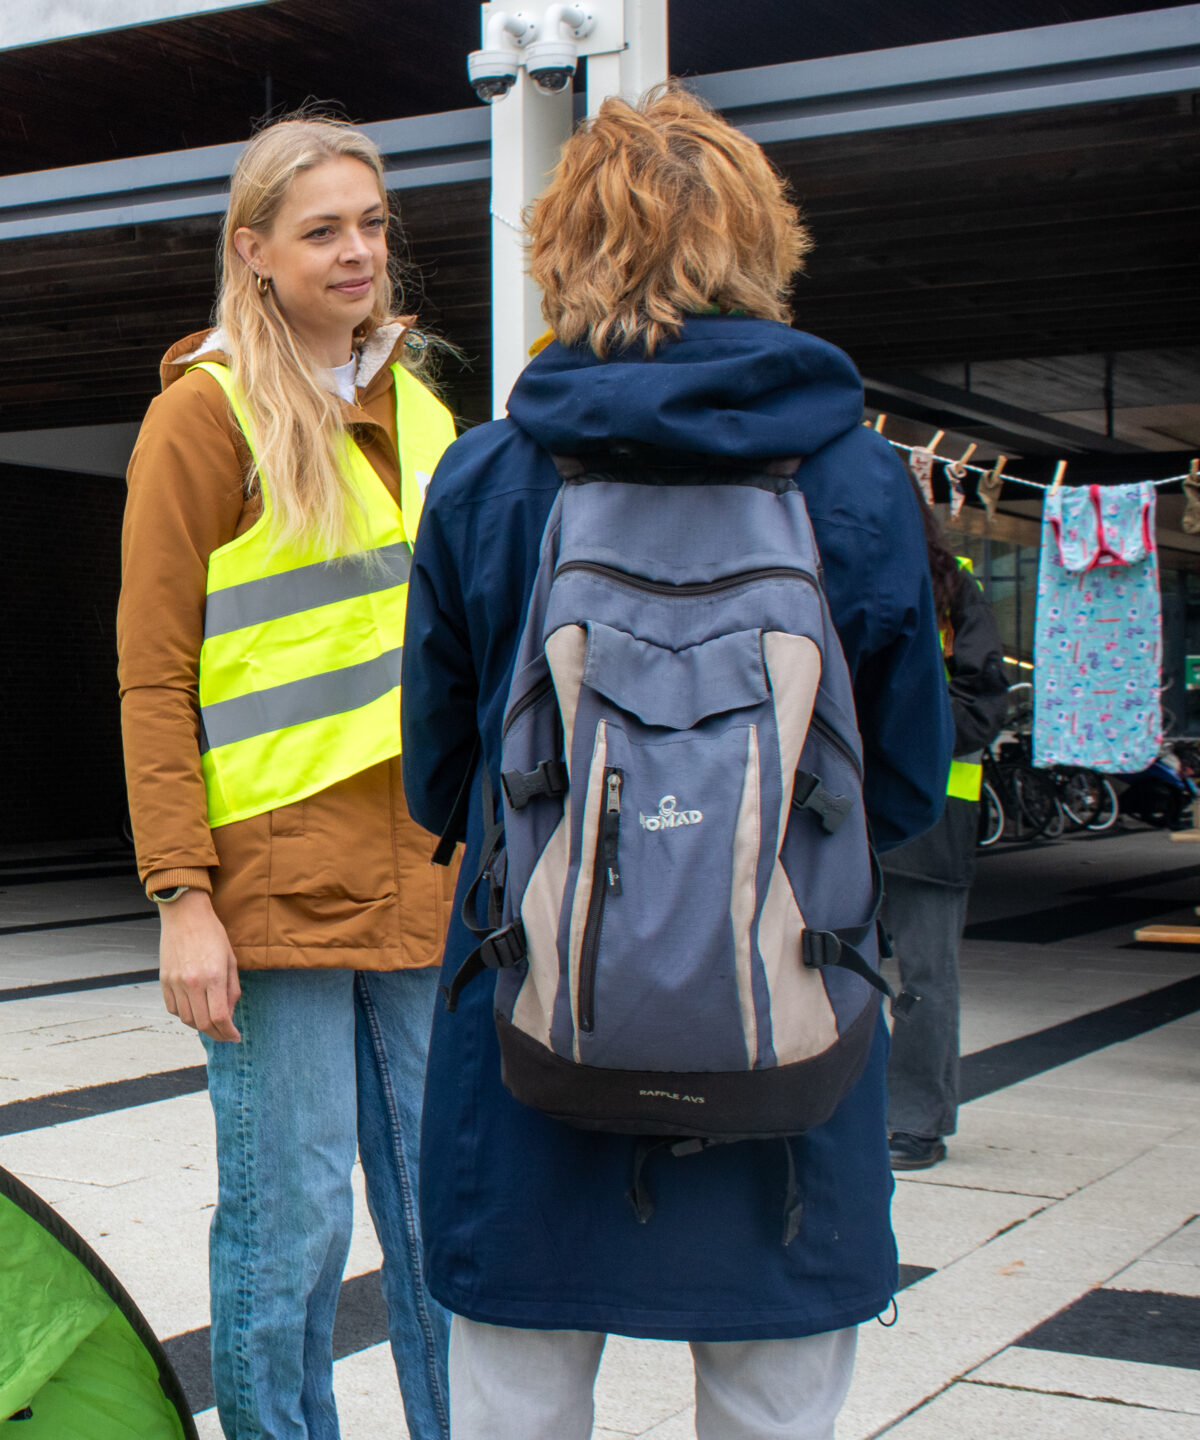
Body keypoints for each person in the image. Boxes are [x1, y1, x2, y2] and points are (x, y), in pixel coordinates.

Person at [398, 86, 949, 1438]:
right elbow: (901, 783)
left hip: (534, 1023)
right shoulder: (856, 482)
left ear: (559, 248)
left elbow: (436, 779)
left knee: (516, 1388)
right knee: (772, 1396)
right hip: (789, 1022)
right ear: (762, 243)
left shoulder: (487, 477)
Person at [119, 115, 458, 1440]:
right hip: (276, 890)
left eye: (371, 223)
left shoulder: (425, 411)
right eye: (322, 230)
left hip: (424, 877)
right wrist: (180, 897)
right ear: (253, 250)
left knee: (448, 1216)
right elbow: (154, 679)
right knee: (293, 1224)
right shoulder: (201, 418)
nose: (358, 250)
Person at [884, 518, 1011, 1171]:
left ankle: (915, 1121)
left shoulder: (955, 586)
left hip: (931, 811)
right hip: (840, 807)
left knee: (926, 977)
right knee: (824, 969)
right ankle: (840, 1109)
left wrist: (899, 724)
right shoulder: (827, 573)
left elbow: (984, 703)